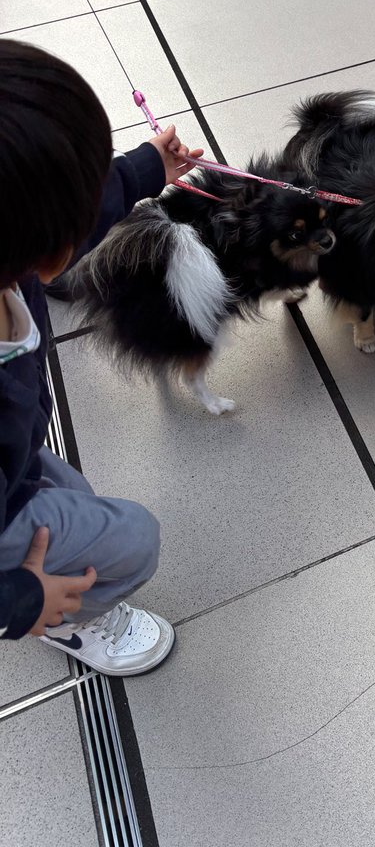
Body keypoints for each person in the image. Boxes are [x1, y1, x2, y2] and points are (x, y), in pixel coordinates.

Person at [0, 38, 202, 673]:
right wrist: (19, 600)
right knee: (133, 540)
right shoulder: (22, 257)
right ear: (51, 256)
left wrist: (147, 168)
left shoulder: (9, 249)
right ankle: (69, 621)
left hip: (13, 459)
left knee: (70, 493)